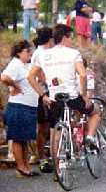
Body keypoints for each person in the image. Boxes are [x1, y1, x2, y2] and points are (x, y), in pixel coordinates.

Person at [27, 24, 101, 157]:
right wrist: (84, 96)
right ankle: (89, 136)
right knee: (95, 112)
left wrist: (43, 95)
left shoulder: (43, 55)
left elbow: (30, 76)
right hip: (72, 96)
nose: (72, 41)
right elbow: (83, 75)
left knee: (55, 132)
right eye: (71, 38)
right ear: (64, 38)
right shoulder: (73, 53)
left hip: (55, 97)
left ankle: (57, 168)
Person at [1, 40, 40, 177]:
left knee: (24, 138)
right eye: (27, 51)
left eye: (30, 51)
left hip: (27, 106)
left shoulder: (25, 65)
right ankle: (21, 167)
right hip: (19, 106)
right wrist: (16, 87)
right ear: (19, 52)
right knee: (18, 138)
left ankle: (25, 166)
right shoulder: (15, 64)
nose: (30, 53)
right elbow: (4, 77)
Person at [31, 27, 54, 171]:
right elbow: (38, 74)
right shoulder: (39, 53)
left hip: (48, 93)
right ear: (50, 39)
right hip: (42, 94)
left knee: (49, 126)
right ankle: (41, 156)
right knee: (44, 127)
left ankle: (47, 154)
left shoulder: (44, 52)